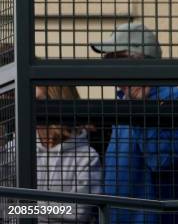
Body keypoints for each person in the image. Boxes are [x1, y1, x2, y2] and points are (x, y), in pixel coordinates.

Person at [91, 22, 178, 224]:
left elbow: (162, 161)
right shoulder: (124, 99)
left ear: (136, 61)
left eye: (114, 59)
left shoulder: (173, 97)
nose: (107, 66)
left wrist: (141, 109)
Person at [1, 86, 102, 224]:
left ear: (58, 103)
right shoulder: (15, 149)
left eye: (37, 101)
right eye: (26, 100)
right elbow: (3, 207)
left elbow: (78, 212)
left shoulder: (87, 156)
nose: (28, 107)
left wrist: (22, 208)